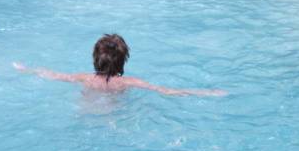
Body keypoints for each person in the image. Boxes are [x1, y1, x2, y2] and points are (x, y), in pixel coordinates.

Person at [13, 34, 226, 97]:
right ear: (123, 61)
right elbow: (168, 91)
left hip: (86, 115)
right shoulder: (129, 82)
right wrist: (205, 92)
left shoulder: (83, 78)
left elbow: (51, 75)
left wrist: (25, 69)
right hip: (113, 120)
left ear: (95, 58)